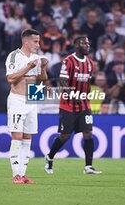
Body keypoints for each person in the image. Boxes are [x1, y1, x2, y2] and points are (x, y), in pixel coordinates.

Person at [44, 36, 102, 175]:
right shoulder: (68, 61)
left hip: (84, 105)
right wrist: (72, 95)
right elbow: (63, 81)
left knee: (88, 133)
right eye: (84, 43)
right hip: (68, 105)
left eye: (88, 43)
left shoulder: (89, 63)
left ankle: (88, 166)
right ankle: (50, 157)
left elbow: (87, 82)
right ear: (76, 45)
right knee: (65, 136)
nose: (88, 46)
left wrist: (86, 95)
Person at [5, 29, 48, 184]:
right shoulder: (14, 56)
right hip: (17, 99)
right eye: (35, 41)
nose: (38, 44)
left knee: (28, 137)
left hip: (32, 99)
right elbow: (10, 78)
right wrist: (28, 68)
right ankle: (15, 175)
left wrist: (43, 68)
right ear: (26, 42)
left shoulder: (37, 58)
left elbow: (42, 81)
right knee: (16, 137)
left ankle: (23, 175)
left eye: (38, 41)